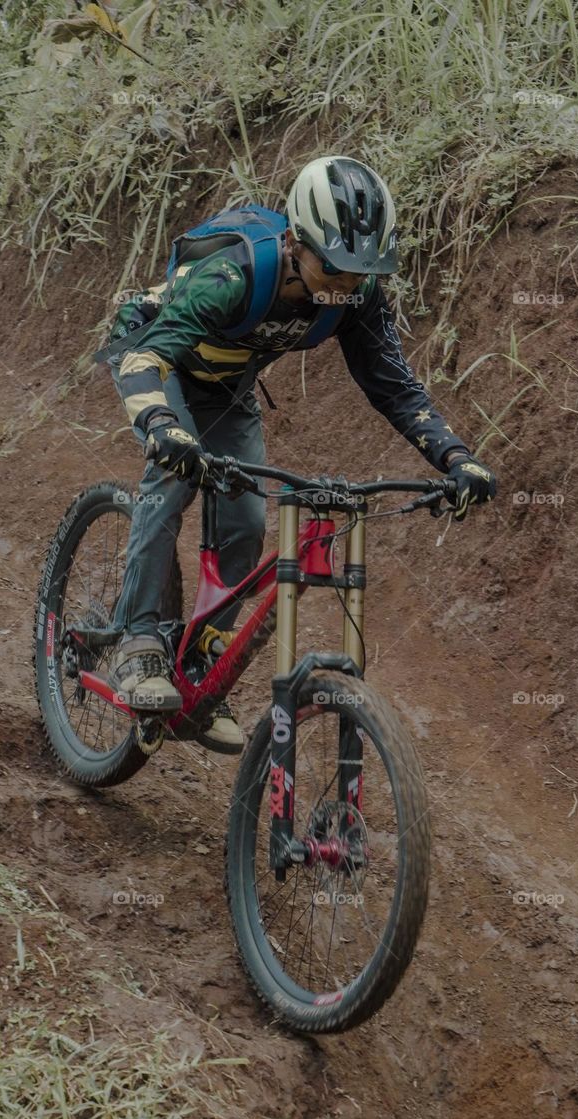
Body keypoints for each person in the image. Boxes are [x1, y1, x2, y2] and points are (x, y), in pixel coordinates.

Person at [102, 155, 496, 751]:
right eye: (334, 267)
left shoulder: (355, 297)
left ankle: (202, 660)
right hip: (160, 357)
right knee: (173, 478)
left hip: (226, 385)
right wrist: (161, 425)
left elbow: (394, 387)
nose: (345, 285)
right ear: (295, 241)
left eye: (361, 272)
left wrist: (456, 458)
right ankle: (138, 645)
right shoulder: (233, 277)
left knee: (248, 517)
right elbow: (145, 359)